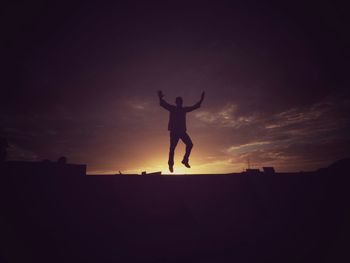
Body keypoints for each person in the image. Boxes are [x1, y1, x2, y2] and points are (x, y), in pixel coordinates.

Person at [158, 90, 205, 172]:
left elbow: (194, 107)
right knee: (172, 149)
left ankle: (185, 160)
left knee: (189, 144)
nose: (180, 103)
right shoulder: (173, 108)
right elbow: (163, 104)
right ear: (176, 102)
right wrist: (160, 98)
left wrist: (201, 100)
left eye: (181, 102)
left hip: (182, 132)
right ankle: (171, 164)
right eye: (179, 102)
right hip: (174, 132)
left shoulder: (184, 109)